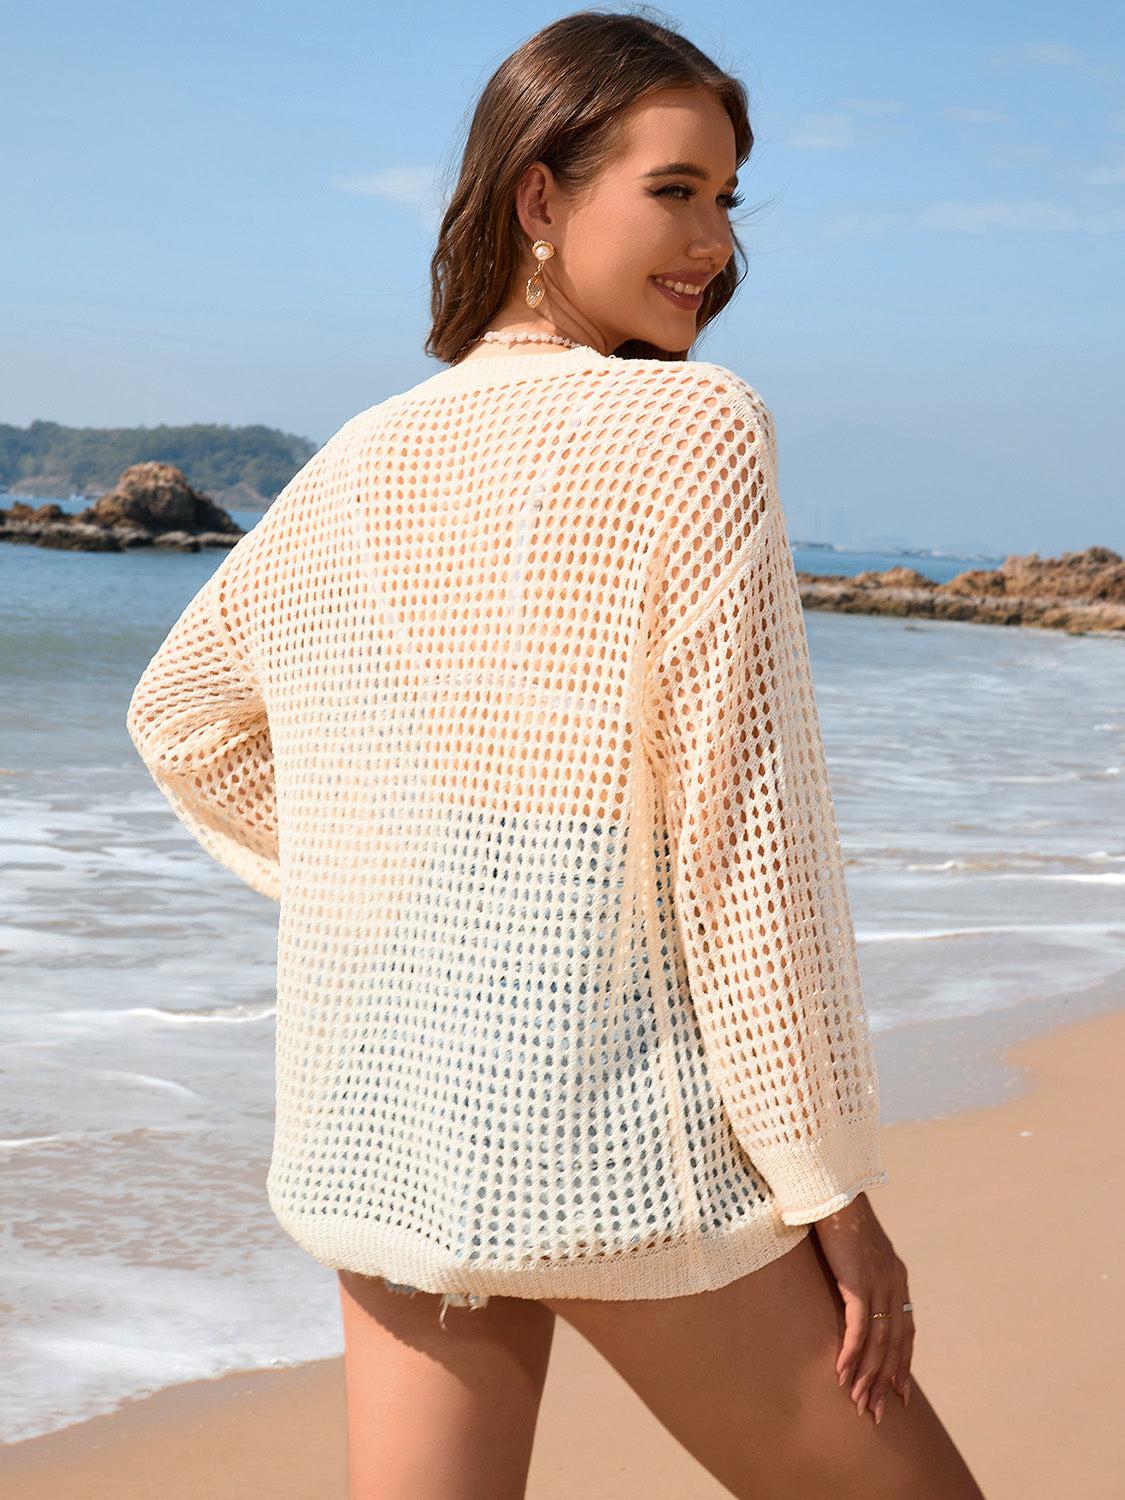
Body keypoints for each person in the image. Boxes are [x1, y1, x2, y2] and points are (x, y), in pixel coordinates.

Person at [127, 10, 986, 1498]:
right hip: (613, 1137)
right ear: (538, 197)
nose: (714, 242)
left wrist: (389, 899)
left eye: (726, 198)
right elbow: (742, 851)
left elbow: (182, 720)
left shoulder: (353, 462)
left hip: (378, 1118)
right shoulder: (693, 426)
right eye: (674, 190)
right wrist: (830, 1190)